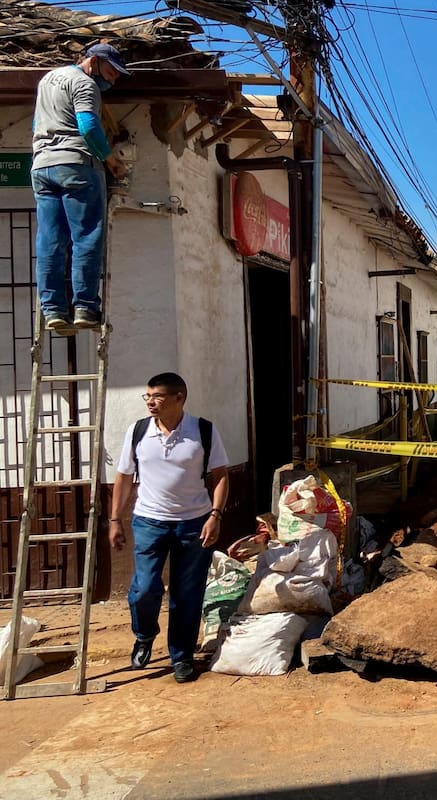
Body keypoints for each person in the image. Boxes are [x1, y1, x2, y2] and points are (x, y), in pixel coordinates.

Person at [109, 372, 229, 683]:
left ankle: (182, 657)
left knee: (187, 594)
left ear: (179, 398)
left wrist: (215, 515)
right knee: (145, 588)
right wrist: (115, 519)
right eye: (147, 396)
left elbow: (220, 476)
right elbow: (124, 477)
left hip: (194, 523)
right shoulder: (138, 431)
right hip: (149, 521)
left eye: (157, 396)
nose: (150, 402)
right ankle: (144, 634)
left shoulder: (203, 430)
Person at [32, 42, 129, 333]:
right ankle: (85, 307)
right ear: (93, 61)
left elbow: (37, 123)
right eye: (111, 72)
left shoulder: (48, 79)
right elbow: (87, 127)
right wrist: (111, 161)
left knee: (50, 240)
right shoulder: (86, 85)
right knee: (86, 237)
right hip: (76, 166)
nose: (112, 80)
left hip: (42, 166)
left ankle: (53, 310)